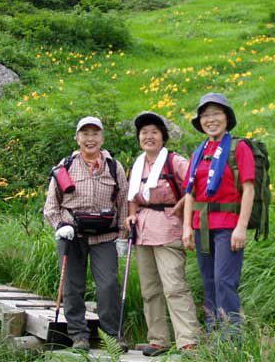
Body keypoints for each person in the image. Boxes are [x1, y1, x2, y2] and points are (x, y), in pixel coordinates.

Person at [44, 116, 129, 351]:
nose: (90, 139)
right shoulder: (66, 165)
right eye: (85, 134)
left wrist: (122, 235)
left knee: (108, 285)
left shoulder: (114, 166)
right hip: (72, 236)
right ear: (77, 137)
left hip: (105, 237)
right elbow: (51, 205)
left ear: (102, 138)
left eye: (95, 134)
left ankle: (111, 336)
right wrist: (61, 226)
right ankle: (79, 335)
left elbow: (123, 203)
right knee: (73, 286)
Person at [125, 111, 200, 356]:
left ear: (163, 137)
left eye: (154, 132)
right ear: (138, 138)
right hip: (143, 233)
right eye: (144, 132)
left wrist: (178, 208)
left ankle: (188, 340)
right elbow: (133, 196)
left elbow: (194, 185)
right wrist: (132, 213)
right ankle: (158, 340)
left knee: (174, 287)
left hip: (169, 230)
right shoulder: (137, 165)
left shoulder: (174, 161)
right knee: (149, 289)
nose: (148, 137)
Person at [182, 93, 255, 338]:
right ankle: (214, 334)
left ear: (227, 117)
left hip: (228, 225)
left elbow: (248, 188)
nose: (210, 120)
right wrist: (186, 228)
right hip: (201, 225)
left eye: (216, 114)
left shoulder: (239, 147)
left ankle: (231, 338)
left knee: (224, 280)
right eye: (205, 115)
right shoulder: (199, 151)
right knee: (209, 281)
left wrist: (241, 227)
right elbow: (190, 193)